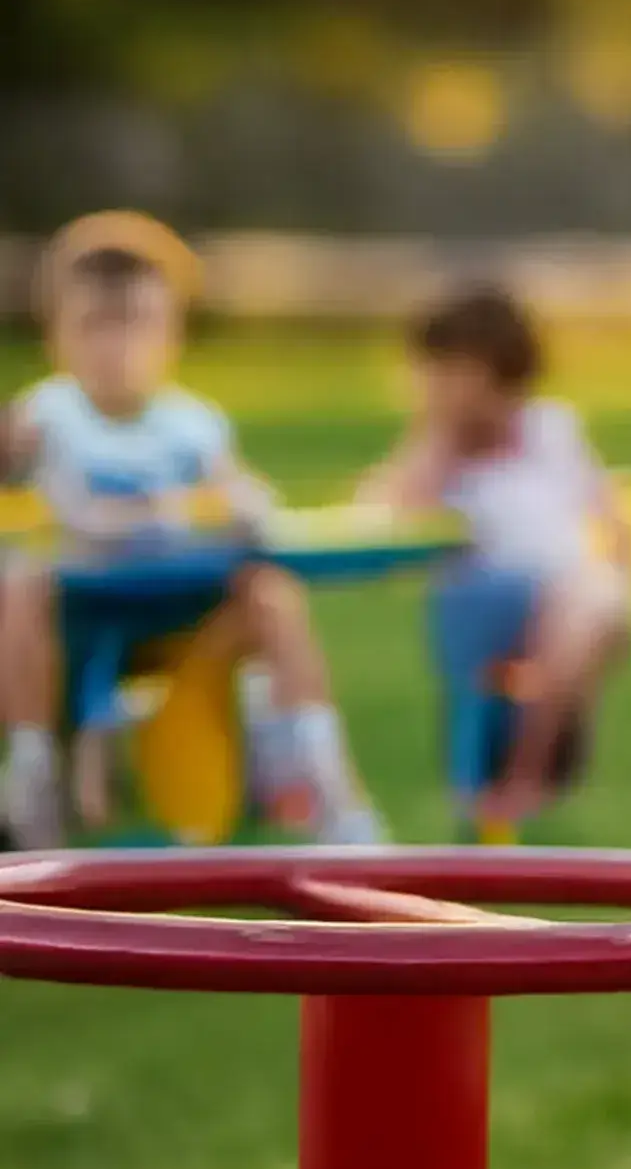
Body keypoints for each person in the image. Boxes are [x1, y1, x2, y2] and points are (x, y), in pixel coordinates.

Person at [0, 212, 382, 849]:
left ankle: (325, 787)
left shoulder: (192, 426)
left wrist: (242, 508)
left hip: (180, 611)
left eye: (138, 324)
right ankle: (33, 775)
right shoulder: (46, 416)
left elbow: (243, 499)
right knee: (21, 583)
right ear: (56, 336)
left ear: (172, 334)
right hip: (73, 617)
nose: (116, 348)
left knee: (268, 591)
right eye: (95, 326)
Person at [363, 284, 631, 831]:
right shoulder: (443, 450)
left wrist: (624, 571)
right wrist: (439, 443)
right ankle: (525, 772)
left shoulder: (551, 428)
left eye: (454, 372)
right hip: (483, 601)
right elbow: (379, 515)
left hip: (565, 591)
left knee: (584, 602)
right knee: (580, 607)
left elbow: (610, 516)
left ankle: (527, 770)